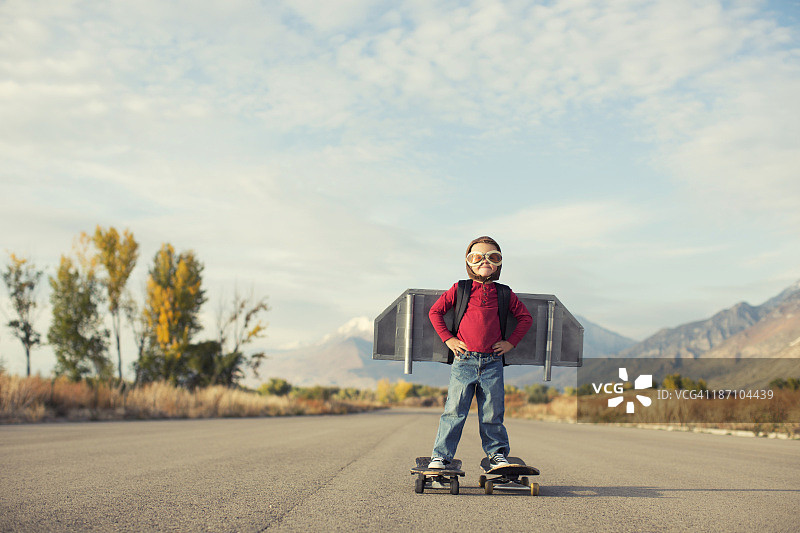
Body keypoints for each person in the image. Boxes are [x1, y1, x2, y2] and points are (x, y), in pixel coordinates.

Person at [427, 236, 533, 469]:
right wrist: (449, 339)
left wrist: (510, 343)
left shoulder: (504, 293)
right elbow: (435, 312)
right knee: (454, 411)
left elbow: (525, 318)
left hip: (493, 362)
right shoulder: (461, 288)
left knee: (492, 412)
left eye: (492, 257)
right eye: (477, 257)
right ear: (469, 263)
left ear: (499, 264)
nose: (484, 261)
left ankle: (497, 455)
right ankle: (441, 456)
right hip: (464, 360)